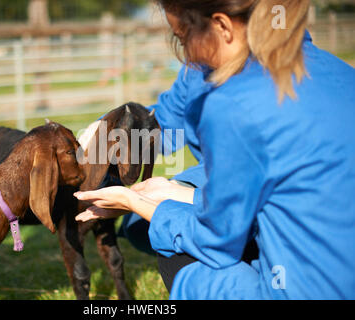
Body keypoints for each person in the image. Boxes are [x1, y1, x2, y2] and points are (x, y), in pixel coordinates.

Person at [75, 0, 355, 299]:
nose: (184, 54)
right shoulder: (339, 72)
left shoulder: (236, 104)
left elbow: (215, 240)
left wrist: (135, 202)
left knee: (182, 260)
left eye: (182, 38)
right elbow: (166, 121)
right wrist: (108, 133)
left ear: (222, 26)